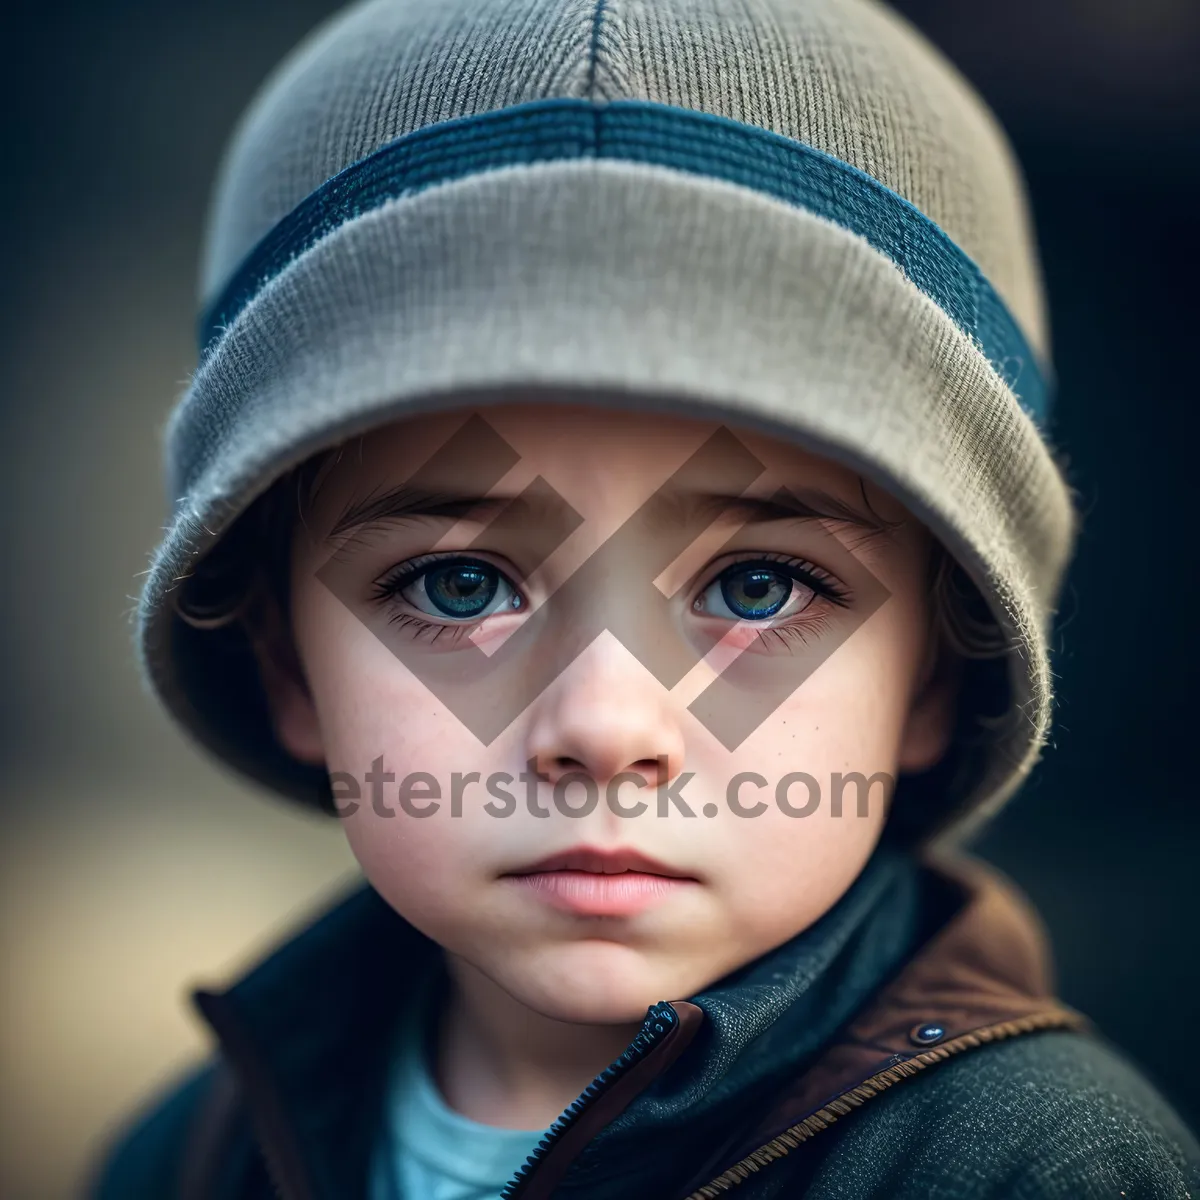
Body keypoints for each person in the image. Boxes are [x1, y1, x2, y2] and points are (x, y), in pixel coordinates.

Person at [92, 0, 1200, 1196]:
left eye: (758, 585)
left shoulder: (1037, 1170)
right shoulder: (193, 1154)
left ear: (935, 676)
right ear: (286, 668)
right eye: (462, 585)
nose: (607, 726)